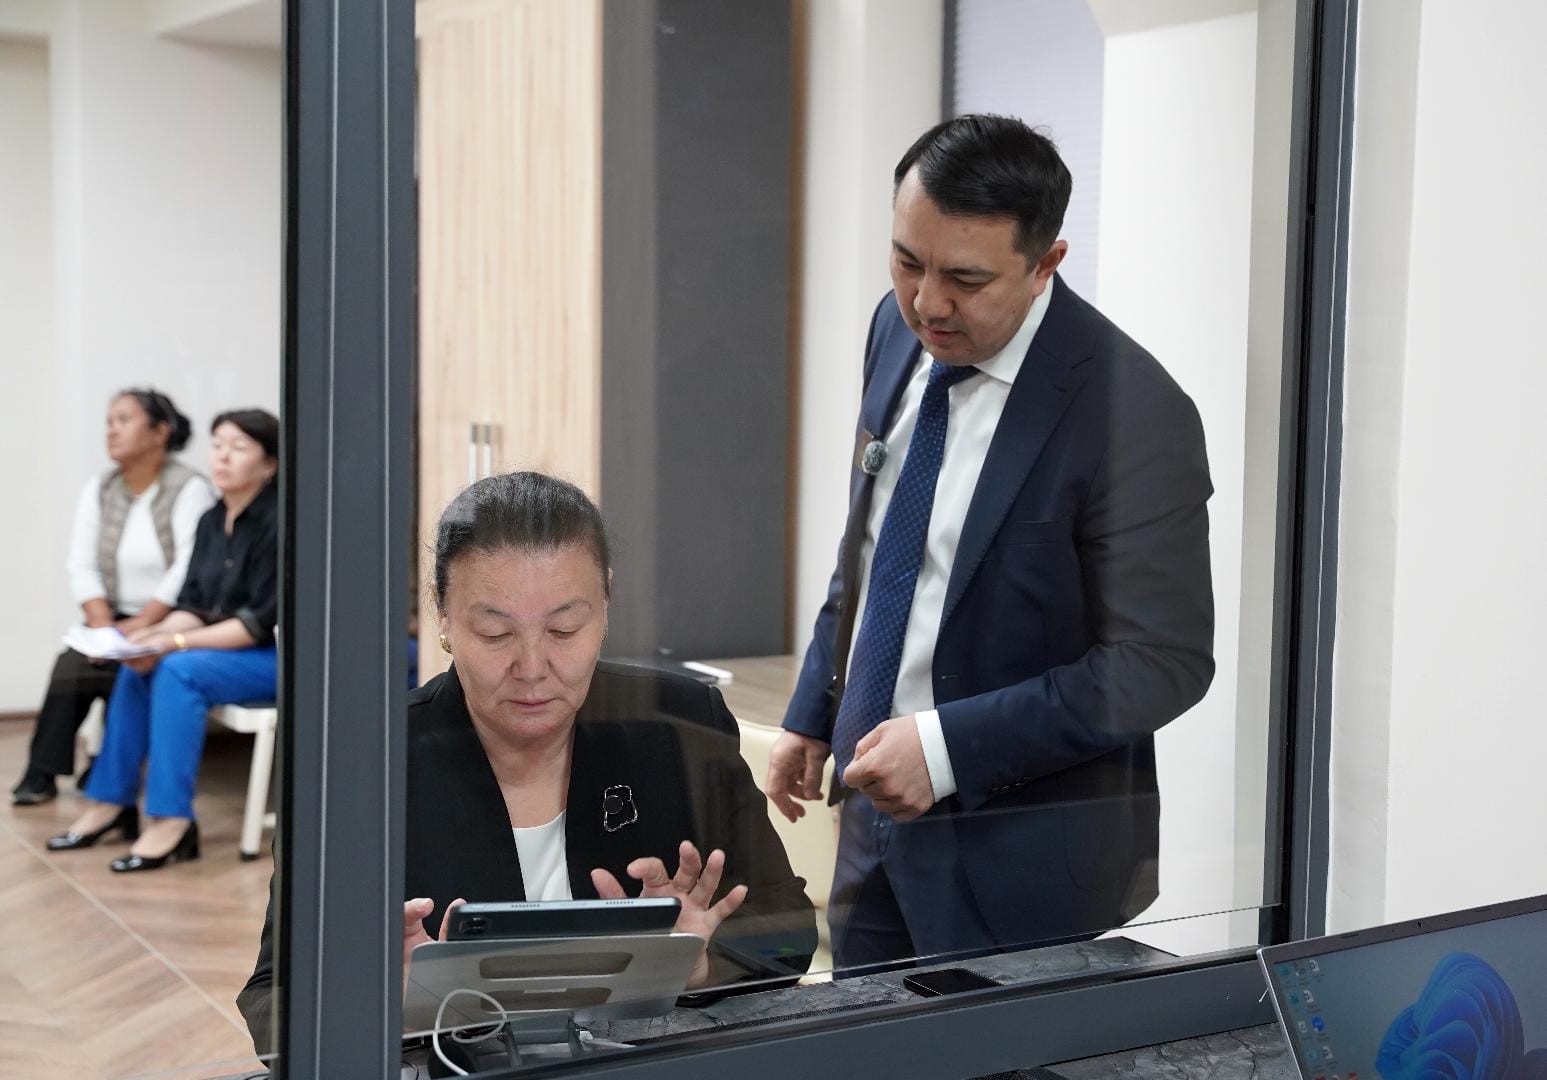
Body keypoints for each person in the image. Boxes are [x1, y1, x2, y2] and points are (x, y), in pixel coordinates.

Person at [767, 115, 1215, 970]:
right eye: (907, 261)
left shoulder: (1131, 411)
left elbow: (1160, 663)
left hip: (1021, 859)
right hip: (869, 825)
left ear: (1046, 263)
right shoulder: (895, 330)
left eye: (965, 279)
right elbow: (876, 546)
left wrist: (942, 750)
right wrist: (816, 708)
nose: (927, 302)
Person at [235, 471, 817, 1053]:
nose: (533, 668)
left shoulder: (677, 725)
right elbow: (270, 1000)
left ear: (606, 605)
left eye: (564, 629)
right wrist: (386, 1006)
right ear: (442, 614)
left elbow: (787, 933)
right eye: (495, 633)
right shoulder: (361, 760)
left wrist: (697, 965)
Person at [47, 409, 280, 871]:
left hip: (274, 654)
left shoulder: (280, 522)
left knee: (176, 668)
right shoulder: (212, 520)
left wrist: (173, 642)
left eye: (238, 447)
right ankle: (110, 802)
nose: (222, 457)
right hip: (227, 649)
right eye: (217, 445)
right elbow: (194, 604)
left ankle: (171, 820)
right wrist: (149, 636)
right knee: (143, 661)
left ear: (269, 464)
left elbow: (256, 624)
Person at [11, 388, 214, 806]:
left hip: (175, 616)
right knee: (74, 662)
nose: (112, 431)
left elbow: (187, 567)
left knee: (128, 665)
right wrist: (103, 627)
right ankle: (42, 772)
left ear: (160, 432)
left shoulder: (189, 488)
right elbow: (81, 563)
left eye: (124, 420)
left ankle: (106, 767)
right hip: (115, 615)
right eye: (108, 422)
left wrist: (141, 625)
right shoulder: (101, 488)